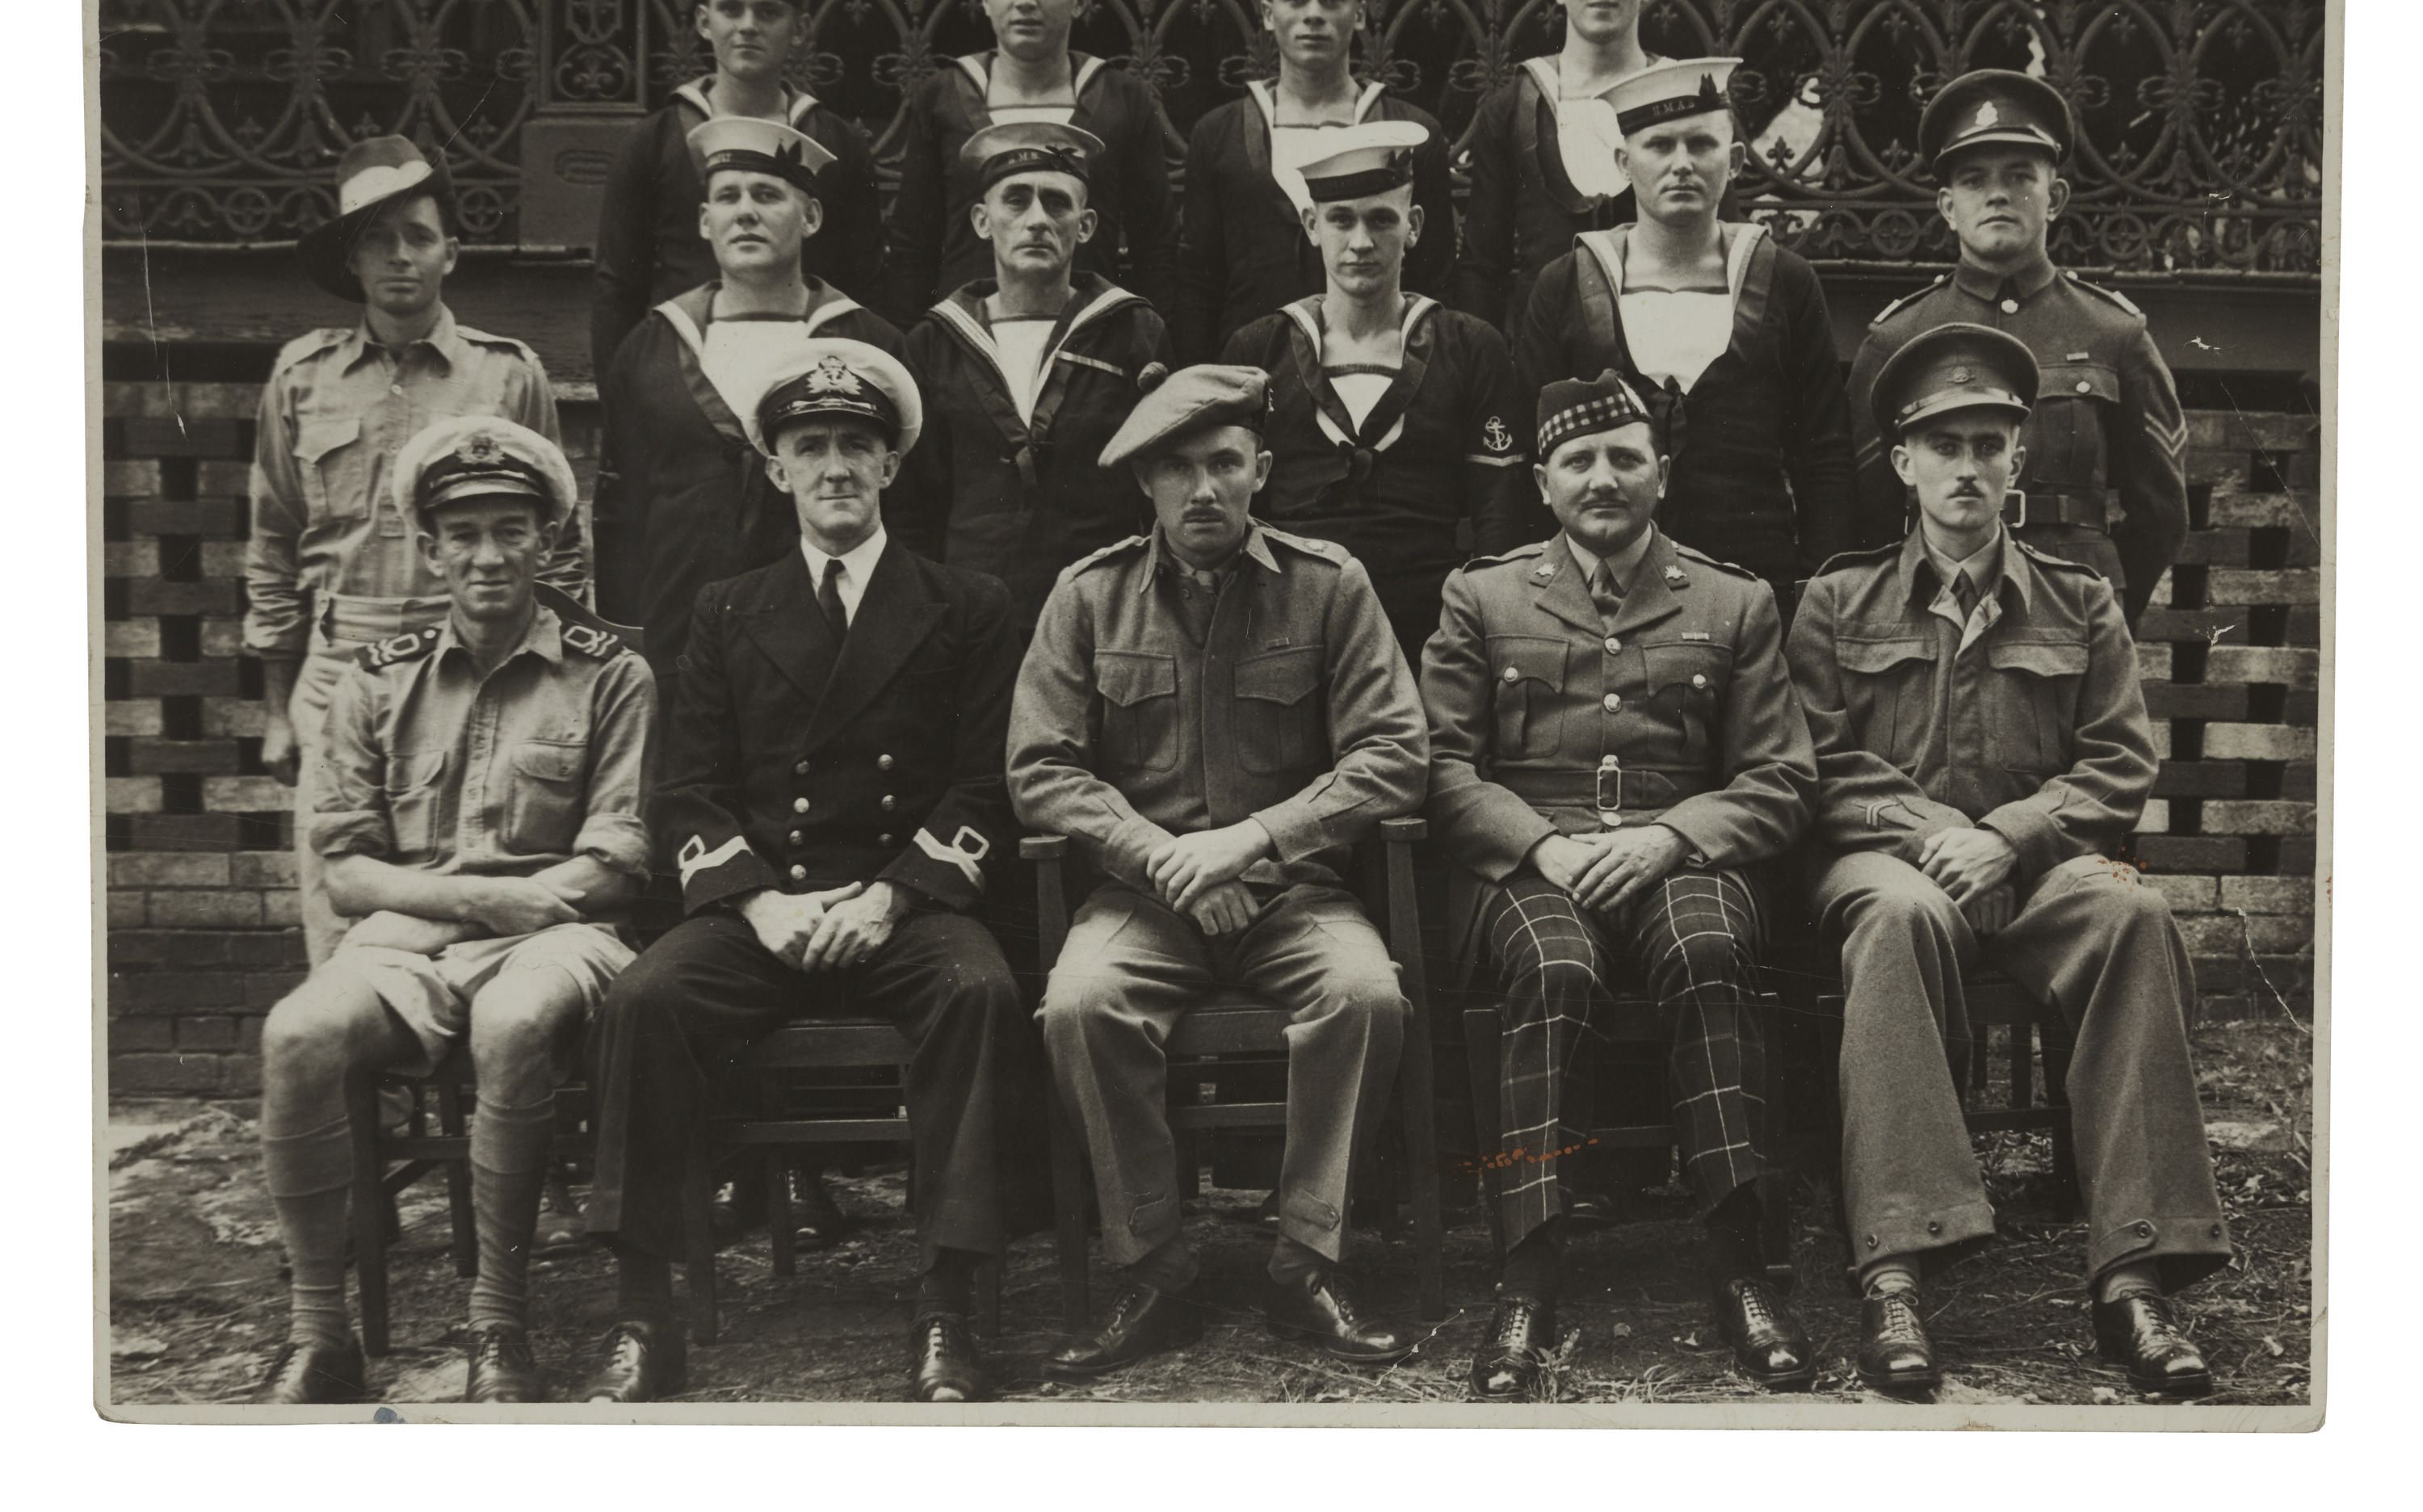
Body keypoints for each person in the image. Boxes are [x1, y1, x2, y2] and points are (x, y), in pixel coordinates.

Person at [581, 338, 1032, 1405]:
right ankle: (643, 1314)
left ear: (891, 466)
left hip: (903, 900)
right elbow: (689, 789)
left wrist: (893, 894)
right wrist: (757, 902)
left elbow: (984, 785)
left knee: (981, 993)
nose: (836, 465)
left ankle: (946, 1308)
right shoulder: (727, 609)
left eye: (856, 446)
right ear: (776, 468)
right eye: (811, 445)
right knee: (644, 999)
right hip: (766, 906)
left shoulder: (967, 604)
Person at [1787, 322, 2227, 1398]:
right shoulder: (1837, 601)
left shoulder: (2080, 599)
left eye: (1989, 444)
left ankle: (2136, 1276)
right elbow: (1811, 763)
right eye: (1945, 445)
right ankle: (1897, 1268)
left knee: (2132, 914)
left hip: (2040, 871)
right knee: (1897, 916)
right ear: (1903, 462)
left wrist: (2009, 836)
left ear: (2019, 458)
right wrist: (1931, 834)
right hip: (1887, 865)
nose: (1968, 467)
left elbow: (2118, 764)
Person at [1007, 364, 1430, 1377]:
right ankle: (1156, 1269)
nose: (1203, 489)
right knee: (1080, 1004)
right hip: (1144, 899)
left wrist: (1254, 842)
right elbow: (1040, 767)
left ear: (1263, 471)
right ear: (1144, 483)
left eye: (1225, 463)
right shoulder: (1089, 595)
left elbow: (1394, 752)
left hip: (1293, 893)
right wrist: (1165, 857)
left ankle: (1306, 1260)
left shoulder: (1329, 586)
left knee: (1366, 995)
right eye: (1178, 469)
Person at [1421, 369, 1819, 1400]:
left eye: (1625, 457)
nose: (1602, 477)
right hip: (1535, 860)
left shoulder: (1733, 600)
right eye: (1578, 460)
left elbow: (1781, 777)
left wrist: (1672, 836)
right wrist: (1539, 846)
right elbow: (1441, 767)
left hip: (1679, 854)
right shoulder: (1483, 595)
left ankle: (1739, 1264)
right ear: (1542, 482)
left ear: (1663, 473)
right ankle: (1526, 1278)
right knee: (1553, 967)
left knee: (1710, 950)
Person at [250, 418, 653, 1404]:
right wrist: (475, 898)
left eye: (511, 530)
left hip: (560, 937)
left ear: (547, 542)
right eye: (463, 534)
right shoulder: (374, 678)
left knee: (512, 1020)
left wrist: (504, 909)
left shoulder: (610, 673)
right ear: (429, 548)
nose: (488, 556)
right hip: (412, 944)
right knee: (296, 1032)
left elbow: (617, 863)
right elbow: (346, 871)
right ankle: (319, 1333)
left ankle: (497, 1325)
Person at [247, 136, 585, 968]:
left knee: (474, 909)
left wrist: (563, 687)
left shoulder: (507, 375)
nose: (400, 256)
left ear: (451, 254)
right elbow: (273, 543)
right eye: (378, 240)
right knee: (340, 909)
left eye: (419, 236)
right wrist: (277, 708)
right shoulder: (301, 377)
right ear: (353, 260)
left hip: (474, 664)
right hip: (341, 667)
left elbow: (562, 547)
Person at [1512, 57, 1857, 619]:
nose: (1682, 164)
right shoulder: (1566, 284)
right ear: (1624, 162)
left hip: (1756, 591)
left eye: (1701, 144)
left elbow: (1825, 455)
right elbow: (1535, 456)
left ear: (1734, 160)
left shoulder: (1786, 280)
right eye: (1659, 146)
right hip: (1599, 602)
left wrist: (1817, 598)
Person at [1843, 69, 2188, 628]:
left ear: (2055, 198)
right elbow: (1862, 508)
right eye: (1974, 180)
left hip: (2070, 608)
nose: (1998, 193)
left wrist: (2108, 606)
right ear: (1948, 206)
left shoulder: (2113, 332)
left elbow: (2162, 512)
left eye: (2020, 176)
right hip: (1933, 609)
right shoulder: (1898, 337)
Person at [596, 115, 905, 682]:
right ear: (704, 220)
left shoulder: (866, 345)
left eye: (767, 195)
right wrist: (624, 641)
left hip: (828, 651)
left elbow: (909, 506)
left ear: (811, 216)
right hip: (679, 646)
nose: (745, 212)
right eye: (727, 197)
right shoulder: (652, 347)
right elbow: (622, 511)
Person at [1219, 119, 1525, 664]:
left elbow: (1499, 516)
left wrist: (1479, 641)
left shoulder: (1471, 347)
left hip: (1434, 633)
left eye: (1381, 219)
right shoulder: (1259, 349)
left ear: (1414, 225)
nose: (1361, 242)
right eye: (1341, 219)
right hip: (1287, 630)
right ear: (1312, 225)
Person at [892, 120, 1174, 627]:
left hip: (1106, 606)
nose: (1037, 220)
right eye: (1016, 201)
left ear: (1086, 226)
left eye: (1057, 203)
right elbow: (914, 503)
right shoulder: (934, 343)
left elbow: (1160, 481)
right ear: (982, 220)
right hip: (974, 613)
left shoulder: (1131, 330)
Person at [589, 0, 886, 386]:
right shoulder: (653, 141)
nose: (748, 26)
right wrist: (623, 406)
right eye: (731, 9)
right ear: (704, 22)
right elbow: (618, 288)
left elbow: (865, 283)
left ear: (800, 28)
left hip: (811, 375)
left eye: (768, 12)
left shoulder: (837, 143)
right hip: (687, 376)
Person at [1175, 0, 1457, 364]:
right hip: (1249, 370)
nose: (1314, 15)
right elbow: (1198, 281)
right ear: (1268, 14)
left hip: (1379, 368)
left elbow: (1436, 276)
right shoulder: (1219, 133)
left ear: (1359, 14)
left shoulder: (1412, 133)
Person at [884, 0, 1176, 322]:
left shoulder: (1121, 100)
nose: (1025, 0)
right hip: (968, 341)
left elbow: (1157, 249)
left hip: (1089, 338)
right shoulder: (943, 97)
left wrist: (1149, 348)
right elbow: (913, 248)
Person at [1455, 0, 1678, 331]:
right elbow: (1483, 264)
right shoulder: (1514, 106)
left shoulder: (1681, 95)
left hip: (1663, 343)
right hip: (1544, 349)